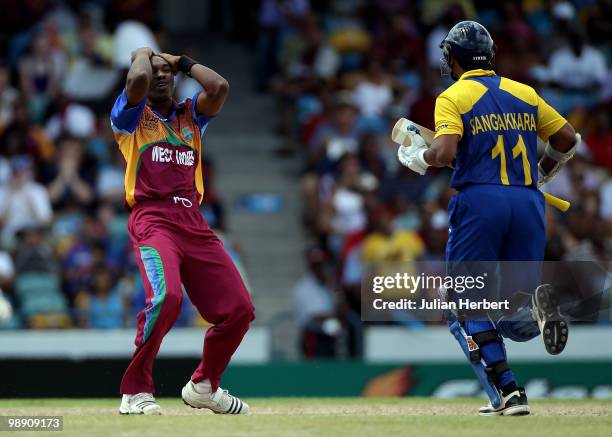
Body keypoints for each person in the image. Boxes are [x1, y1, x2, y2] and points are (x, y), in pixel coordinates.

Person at [396, 21, 578, 416]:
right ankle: (531, 322)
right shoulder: (523, 92)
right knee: (512, 310)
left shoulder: (453, 96)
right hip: (528, 203)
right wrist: (542, 172)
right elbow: (568, 139)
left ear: (453, 58)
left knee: (466, 304)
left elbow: (444, 153)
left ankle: (509, 392)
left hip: (480, 204)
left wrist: (418, 158)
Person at [110, 47, 255, 415]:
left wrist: (184, 63)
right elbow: (138, 80)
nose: (160, 75)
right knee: (167, 298)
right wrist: (144, 54)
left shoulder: (191, 115)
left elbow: (219, 86)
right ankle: (135, 391)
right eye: (154, 70)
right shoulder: (129, 116)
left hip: (193, 221)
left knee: (239, 309)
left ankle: (204, 385)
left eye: (166, 71)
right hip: (153, 219)